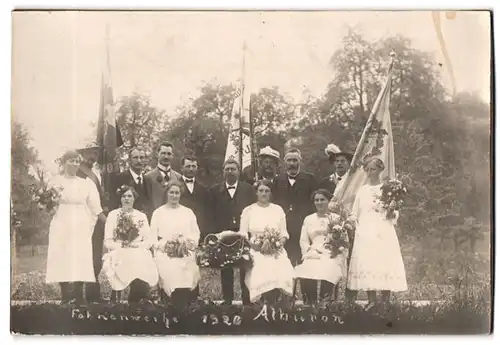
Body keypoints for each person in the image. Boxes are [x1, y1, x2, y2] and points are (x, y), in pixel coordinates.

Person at [347, 157, 407, 311]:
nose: (369, 173)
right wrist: (351, 222)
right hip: (365, 231)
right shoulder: (362, 190)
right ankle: (371, 300)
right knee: (368, 262)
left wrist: (392, 209)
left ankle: (385, 300)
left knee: (384, 262)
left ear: (380, 170)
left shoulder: (388, 188)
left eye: (372, 169)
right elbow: (355, 212)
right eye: (367, 169)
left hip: (383, 230)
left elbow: (393, 215)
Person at [45, 150, 105, 305]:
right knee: (62, 255)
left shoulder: (86, 183)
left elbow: (96, 208)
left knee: (80, 256)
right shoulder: (54, 181)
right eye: (71, 160)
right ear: (63, 163)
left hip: (80, 223)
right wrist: (47, 206)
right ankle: (66, 295)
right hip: (61, 222)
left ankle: (78, 295)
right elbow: (48, 207)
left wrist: (110, 222)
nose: (75, 164)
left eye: (77, 161)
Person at [239, 180, 294, 303]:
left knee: (282, 266)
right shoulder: (249, 210)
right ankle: (258, 304)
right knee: (260, 267)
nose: (264, 193)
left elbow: (284, 233)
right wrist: (254, 246)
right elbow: (242, 234)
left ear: (271, 193)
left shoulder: (278, 210)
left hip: (276, 249)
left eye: (267, 191)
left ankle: (276, 303)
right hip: (255, 248)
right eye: (261, 191)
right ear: (256, 193)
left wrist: (277, 244)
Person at [209, 158, 255, 305]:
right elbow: (212, 213)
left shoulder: (248, 189)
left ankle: (246, 301)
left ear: (238, 172)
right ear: (223, 171)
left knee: (245, 267)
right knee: (226, 268)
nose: (230, 172)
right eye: (227, 169)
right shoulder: (215, 190)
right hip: (223, 235)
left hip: (243, 234)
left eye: (233, 169)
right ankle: (227, 301)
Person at [102, 185, 158, 304]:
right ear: (120, 199)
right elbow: (107, 240)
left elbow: (148, 240)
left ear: (134, 198)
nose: (127, 199)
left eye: (129, 196)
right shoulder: (113, 215)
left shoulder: (141, 216)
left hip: (137, 249)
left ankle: (137, 296)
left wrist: (137, 246)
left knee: (140, 258)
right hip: (119, 249)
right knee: (123, 258)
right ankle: (123, 297)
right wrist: (120, 246)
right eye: (124, 196)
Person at [151, 180, 200, 306]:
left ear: (180, 194)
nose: (174, 196)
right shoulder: (158, 213)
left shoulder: (188, 212)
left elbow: (195, 234)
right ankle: (170, 302)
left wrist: (186, 243)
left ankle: (188, 304)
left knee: (188, 267)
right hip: (165, 251)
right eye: (171, 192)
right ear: (166, 194)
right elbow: (152, 238)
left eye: (177, 193)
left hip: (184, 251)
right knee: (170, 268)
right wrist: (165, 246)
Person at [294, 189, 347, 305]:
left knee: (329, 267)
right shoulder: (308, 219)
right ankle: (310, 303)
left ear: (328, 201)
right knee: (307, 269)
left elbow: (343, 240)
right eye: (316, 200)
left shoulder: (336, 218)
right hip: (313, 251)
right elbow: (303, 240)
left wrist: (335, 251)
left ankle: (325, 302)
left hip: (331, 252)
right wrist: (308, 251)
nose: (319, 202)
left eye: (322, 199)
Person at [319, 143, 356, 302]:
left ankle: (350, 299)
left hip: (350, 225)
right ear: (333, 164)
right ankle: (327, 298)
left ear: (348, 164)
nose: (340, 164)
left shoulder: (354, 182)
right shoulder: (325, 181)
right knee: (330, 260)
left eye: (343, 161)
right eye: (337, 161)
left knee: (351, 261)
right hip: (331, 226)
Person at [272, 148, 317, 266]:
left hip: (303, 226)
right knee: (285, 261)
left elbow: (314, 203)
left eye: (295, 160)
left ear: (300, 162)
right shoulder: (277, 180)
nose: (292, 163)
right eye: (289, 160)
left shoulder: (310, 179)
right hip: (284, 227)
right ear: (284, 163)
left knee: (304, 260)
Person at [76, 142, 107, 303]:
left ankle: (93, 294)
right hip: (83, 219)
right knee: (82, 256)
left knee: (96, 258)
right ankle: (78, 295)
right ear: (82, 154)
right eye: (89, 153)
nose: (92, 156)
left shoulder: (96, 172)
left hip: (97, 219)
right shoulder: (78, 171)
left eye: (95, 153)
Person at [179, 155, 210, 299]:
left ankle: (194, 299)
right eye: (188, 166)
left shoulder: (203, 189)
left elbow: (207, 212)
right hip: (179, 232)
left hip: (197, 233)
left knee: (193, 266)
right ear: (182, 168)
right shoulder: (175, 188)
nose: (191, 169)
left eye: (193, 166)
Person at [144, 141, 181, 215]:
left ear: (172, 156)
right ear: (158, 154)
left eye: (169, 154)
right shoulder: (148, 177)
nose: (166, 157)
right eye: (163, 153)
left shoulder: (178, 177)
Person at [111, 147, 149, 214]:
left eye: (142, 158)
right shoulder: (119, 178)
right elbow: (114, 202)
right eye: (135, 158)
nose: (139, 161)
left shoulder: (148, 180)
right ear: (129, 160)